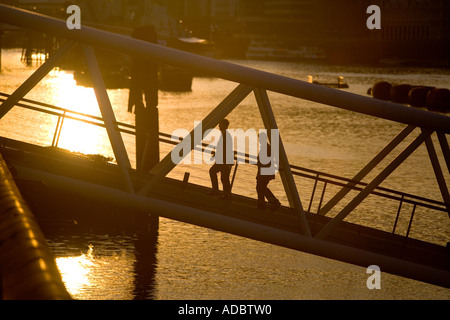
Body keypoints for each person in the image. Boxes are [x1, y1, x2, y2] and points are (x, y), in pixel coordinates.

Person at [208, 119, 234, 200]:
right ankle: (226, 195)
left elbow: (225, 149)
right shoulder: (224, 135)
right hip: (224, 160)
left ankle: (218, 191)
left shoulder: (226, 135)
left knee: (215, 173)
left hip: (224, 161)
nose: (218, 126)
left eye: (220, 124)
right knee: (224, 178)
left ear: (225, 125)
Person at [256, 133, 281, 211]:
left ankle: (271, 202)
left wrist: (259, 162)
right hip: (265, 171)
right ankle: (270, 202)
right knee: (261, 188)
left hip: (265, 172)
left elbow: (265, 161)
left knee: (260, 188)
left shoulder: (266, 148)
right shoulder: (266, 147)